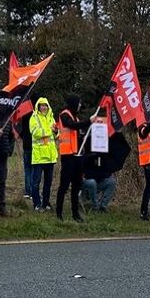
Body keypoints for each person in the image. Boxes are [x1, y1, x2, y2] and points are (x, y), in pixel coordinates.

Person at [56, 93, 94, 222]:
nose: (80, 105)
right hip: (67, 156)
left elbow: (78, 133)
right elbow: (71, 125)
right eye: (78, 103)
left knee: (76, 185)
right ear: (73, 103)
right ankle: (59, 213)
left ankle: (75, 213)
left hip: (77, 156)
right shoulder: (64, 115)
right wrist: (88, 121)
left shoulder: (76, 117)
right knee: (64, 186)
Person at [29, 97, 58, 211]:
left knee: (48, 182)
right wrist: (50, 130)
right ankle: (37, 204)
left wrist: (56, 131)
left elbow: (56, 135)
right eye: (42, 105)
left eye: (45, 105)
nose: (44, 107)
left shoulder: (51, 118)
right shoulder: (34, 117)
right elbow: (35, 132)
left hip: (50, 156)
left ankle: (46, 203)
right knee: (36, 183)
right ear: (38, 106)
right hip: (39, 156)